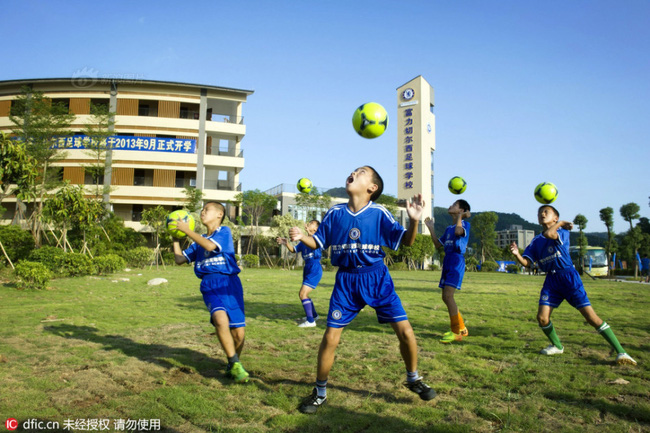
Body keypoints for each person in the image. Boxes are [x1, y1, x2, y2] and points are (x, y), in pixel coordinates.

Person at [290, 166, 437, 414]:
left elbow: (405, 242)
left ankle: (414, 379)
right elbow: (318, 241)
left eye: (361, 172)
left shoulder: (379, 212)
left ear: (372, 188)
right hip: (346, 281)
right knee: (330, 338)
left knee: (406, 333)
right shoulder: (335, 213)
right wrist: (301, 237)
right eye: (353, 171)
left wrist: (413, 221)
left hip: (377, 278)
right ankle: (320, 392)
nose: (353, 173)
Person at [509, 205, 636, 366]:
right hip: (552, 280)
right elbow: (527, 263)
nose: (542, 214)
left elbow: (550, 233)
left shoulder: (562, 231)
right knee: (542, 318)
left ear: (555, 218)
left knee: (591, 318)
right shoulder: (535, 241)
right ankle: (557, 346)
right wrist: (517, 254)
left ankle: (621, 352)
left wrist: (561, 223)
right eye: (539, 212)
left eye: (546, 212)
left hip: (568, 277)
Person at [172, 202, 250, 382]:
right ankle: (234, 362)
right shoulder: (198, 241)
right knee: (220, 320)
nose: (202, 212)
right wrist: (175, 238)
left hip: (230, 284)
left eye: (207, 209)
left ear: (219, 214)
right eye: (202, 210)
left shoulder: (223, 232)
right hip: (210, 284)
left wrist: (186, 231)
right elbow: (179, 259)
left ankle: (233, 364)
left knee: (239, 332)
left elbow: (209, 246)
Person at [424, 199, 471, 343]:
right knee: (445, 297)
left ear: (461, 210)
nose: (450, 206)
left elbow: (459, 231)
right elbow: (438, 244)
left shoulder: (464, 224)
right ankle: (461, 327)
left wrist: (460, 217)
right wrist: (431, 228)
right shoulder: (448, 229)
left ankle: (456, 332)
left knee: (448, 296)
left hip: (456, 262)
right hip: (448, 261)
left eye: (454, 205)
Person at [276, 220, 323, 327]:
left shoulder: (317, 238)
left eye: (311, 223)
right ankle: (314, 316)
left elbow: (315, 243)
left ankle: (311, 321)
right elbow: (294, 250)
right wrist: (286, 243)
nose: (308, 224)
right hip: (307, 267)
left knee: (302, 294)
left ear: (315, 229)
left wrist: (306, 234)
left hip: (315, 268)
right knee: (305, 294)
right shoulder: (304, 241)